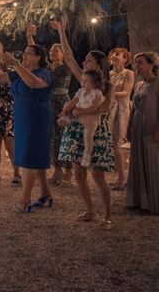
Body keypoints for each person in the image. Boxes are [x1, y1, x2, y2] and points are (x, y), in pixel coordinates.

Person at [53, 18, 115, 230]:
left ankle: (107, 215)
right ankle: (90, 209)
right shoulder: (83, 79)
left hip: (96, 130)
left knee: (98, 175)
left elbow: (104, 108)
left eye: (88, 61)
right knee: (78, 172)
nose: (84, 63)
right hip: (77, 130)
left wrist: (79, 110)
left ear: (98, 64)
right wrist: (62, 31)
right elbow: (69, 57)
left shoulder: (107, 85)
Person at [0, 44, 53, 212]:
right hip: (21, 117)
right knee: (34, 158)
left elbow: (33, 83)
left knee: (30, 157)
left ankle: (25, 199)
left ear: (38, 58)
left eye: (28, 54)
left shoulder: (43, 74)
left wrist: (15, 63)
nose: (25, 56)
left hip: (37, 118)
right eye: (24, 53)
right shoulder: (19, 72)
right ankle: (45, 194)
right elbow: (2, 78)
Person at [27, 25, 73, 185]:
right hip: (49, 102)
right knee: (52, 137)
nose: (53, 53)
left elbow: (68, 54)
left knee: (63, 136)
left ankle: (68, 170)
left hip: (62, 102)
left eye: (56, 51)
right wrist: (29, 36)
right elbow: (35, 54)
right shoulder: (46, 67)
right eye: (51, 51)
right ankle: (58, 170)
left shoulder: (66, 67)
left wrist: (62, 32)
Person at [126, 52, 159, 214]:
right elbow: (133, 107)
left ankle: (154, 200)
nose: (137, 66)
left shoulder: (157, 83)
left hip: (151, 123)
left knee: (152, 160)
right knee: (138, 159)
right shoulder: (138, 84)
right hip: (138, 124)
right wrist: (129, 126)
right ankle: (140, 200)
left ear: (151, 65)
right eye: (135, 63)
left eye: (140, 63)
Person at [58, 70, 106, 167]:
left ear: (95, 82)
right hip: (79, 116)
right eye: (82, 80)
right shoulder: (80, 92)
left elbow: (94, 108)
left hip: (91, 117)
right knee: (69, 107)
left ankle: (87, 155)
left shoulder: (97, 93)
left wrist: (80, 111)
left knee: (88, 136)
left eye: (86, 81)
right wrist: (65, 109)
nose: (83, 83)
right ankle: (65, 118)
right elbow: (73, 101)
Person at [0, 51, 20, 184]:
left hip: (10, 111)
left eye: (3, 60)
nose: (1, 63)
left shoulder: (13, 74)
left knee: (10, 144)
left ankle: (17, 174)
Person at [108, 48, 134, 190]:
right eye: (113, 54)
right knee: (113, 142)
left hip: (122, 110)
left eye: (118, 55)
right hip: (112, 110)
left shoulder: (128, 73)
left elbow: (126, 93)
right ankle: (120, 175)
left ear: (125, 59)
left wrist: (108, 93)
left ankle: (124, 177)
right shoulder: (111, 73)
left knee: (120, 142)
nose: (114, 56)